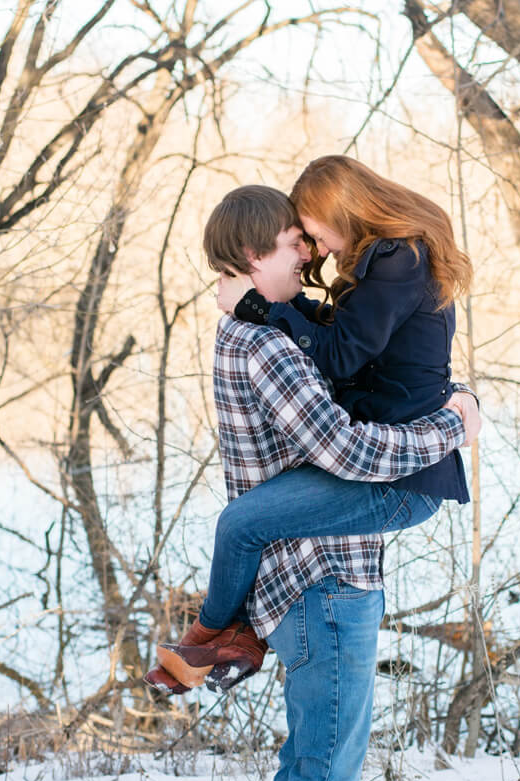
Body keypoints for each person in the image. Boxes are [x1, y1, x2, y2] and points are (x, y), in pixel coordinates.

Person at [149, 184, 480, 781]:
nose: (310, 254)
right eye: (294, 244)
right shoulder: (267, 347)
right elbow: (343, 450)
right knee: (324, 768)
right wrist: (454, 425)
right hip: (322, 576)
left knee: (309, 760)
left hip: (311, 570)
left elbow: (371, 364)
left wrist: (441, 389)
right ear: (252, 253)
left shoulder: (259, 330)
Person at [149, 157, 478, 695]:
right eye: (298, 240)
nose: (315, 250)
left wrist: (261, 303)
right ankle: (235, 639)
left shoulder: (398, 260)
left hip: (401, 478)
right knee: (243, 524)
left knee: (240, 524)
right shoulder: (382, 264)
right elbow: (355, 344)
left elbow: (344, 357)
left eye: (314, 233)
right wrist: (271, 305)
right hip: (384, 467)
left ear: (339, 210)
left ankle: (209, 638)